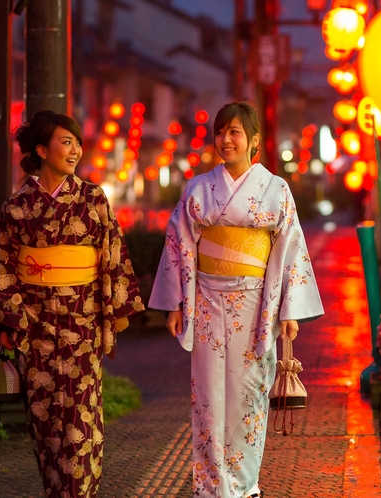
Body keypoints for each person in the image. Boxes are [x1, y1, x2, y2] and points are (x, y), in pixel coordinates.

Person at [149, 101, 323, 498]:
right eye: (220, 132)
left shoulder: (276, 190)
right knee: (208, 396)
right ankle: (212, 488)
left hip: (255, 302)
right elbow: (179, 244)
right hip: (207, 300)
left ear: (254, 141)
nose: (225, 140)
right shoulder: (197, 189)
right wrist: (176, 304)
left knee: (249, 394)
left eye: (235, 133)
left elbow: (290, 248)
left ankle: (245, 486)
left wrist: (288, 311)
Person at [0, 110, 144, 497]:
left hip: (82, 326)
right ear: (41, 149)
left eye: (76, 142)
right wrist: (8, 324)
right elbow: (3, 266)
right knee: (45, 426)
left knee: (79, 427)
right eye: (65, 141)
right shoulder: (17, 207)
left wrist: (111, 313)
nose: (75, 150)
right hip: (34, 329)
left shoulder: (92, 199)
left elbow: (111, 257)